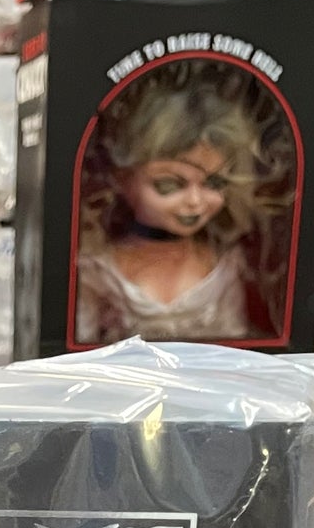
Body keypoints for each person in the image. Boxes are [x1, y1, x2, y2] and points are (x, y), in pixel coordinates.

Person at [73, 61, 296, 347]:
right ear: (123, 179)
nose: (194, 201)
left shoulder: (225, 267)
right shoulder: (99, 271)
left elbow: (237, 353)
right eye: (169, 185)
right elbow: (75, 354)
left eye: (214, 183)